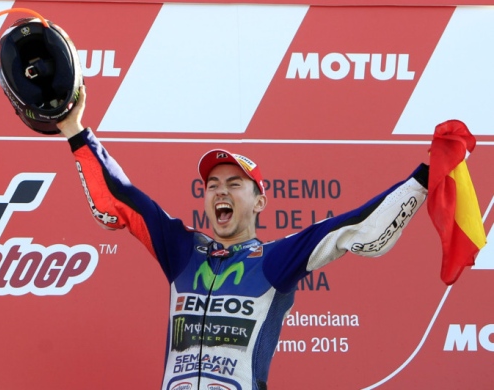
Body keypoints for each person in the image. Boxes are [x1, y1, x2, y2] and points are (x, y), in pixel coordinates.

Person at [56, 85, 429, 390]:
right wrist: (75, 130)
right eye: (212, 185)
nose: (221, 191)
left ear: (259, 201)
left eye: (235, 184)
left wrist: (425, 177)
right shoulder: (184, 250)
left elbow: (353, 225)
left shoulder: (275, 260)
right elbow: (124, 197)